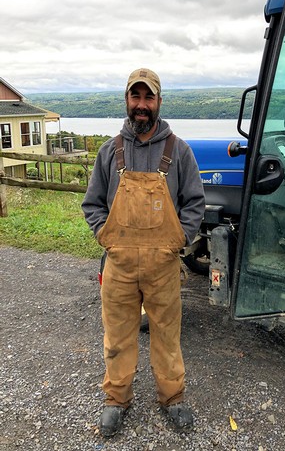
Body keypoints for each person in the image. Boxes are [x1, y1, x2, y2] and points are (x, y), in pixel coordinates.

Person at [82, 68, 205, 437]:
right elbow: (93, 204)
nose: (141, 105)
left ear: (159, 102)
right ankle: (116, 400)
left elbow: (195, 204)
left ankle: (173, 397)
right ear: (127, 101)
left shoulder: (178, 151)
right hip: (119, 265)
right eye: (135, 97)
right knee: (117, 336)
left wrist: (177, 240)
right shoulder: (110, 150)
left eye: (148, 97)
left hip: (163, 265)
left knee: (167, 335)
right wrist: (106, 235)